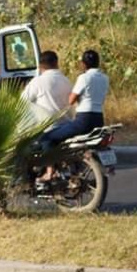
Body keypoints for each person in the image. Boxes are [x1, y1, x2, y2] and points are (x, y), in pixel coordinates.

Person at [37, 49, 110, 181]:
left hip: (83, 120)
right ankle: (74, 166)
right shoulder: (105, 78)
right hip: (99, 119)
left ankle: (50, 171)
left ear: (83, 64)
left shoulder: (84, 78)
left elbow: (71, 100)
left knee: (47, 138)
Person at [21, 50, 72, 125]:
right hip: (66, 125)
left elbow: (22, 102)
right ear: (57, 64)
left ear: (40, 66)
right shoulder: (67, 81)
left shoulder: (37, 82)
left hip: (47, 127)